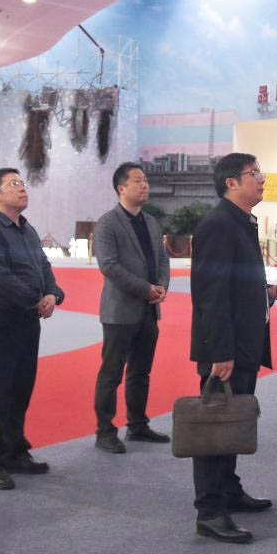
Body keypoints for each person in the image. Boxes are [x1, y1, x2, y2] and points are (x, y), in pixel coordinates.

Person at [189, 152, 277, 543]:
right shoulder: (218, 225)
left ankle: (228, 491)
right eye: (255, 173)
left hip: (243, 342)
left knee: (233, 420)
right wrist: (220, 351)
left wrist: (267, 294)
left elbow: (235, 286)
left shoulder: (241, 222)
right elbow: (211, 294)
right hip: (226, 349)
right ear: (231, 182)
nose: (262, 179)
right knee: (216, 428)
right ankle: (210, 512)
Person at [0, 168, 65, 490]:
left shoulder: (27, 229)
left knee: (20, 390)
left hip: (27, 320)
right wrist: (36, 299)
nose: (22, 188)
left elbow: (43, 266)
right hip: (0, 320)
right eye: (14, 184)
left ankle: (14, 451)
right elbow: (0, 279)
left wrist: (52, 293)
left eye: (22, 183)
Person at [92, 162, 171, 453]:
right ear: (121, 188)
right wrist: (145, 289)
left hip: (149, 310)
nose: (145, 185)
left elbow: (162, 259)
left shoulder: (151, 222)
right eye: (138, 180)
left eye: (145, 180)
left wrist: (161, 286)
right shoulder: (107, 223)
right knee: (111, 374)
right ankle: (105, 431)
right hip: (120, 311)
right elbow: (109, 266)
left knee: (141, 372)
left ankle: (137, 425)